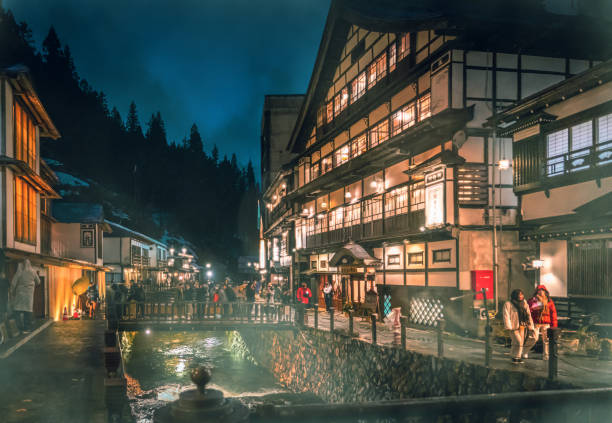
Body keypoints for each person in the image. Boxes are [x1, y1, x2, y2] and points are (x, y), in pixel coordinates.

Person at [503, 289, 536, 364]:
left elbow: (528, 314)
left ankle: (516, 356)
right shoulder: (508, 304)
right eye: (519, 294)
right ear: (515, 295)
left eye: (521, 294)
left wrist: (530, 325)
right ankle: (516, 357)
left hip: (523, 325)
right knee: (518, 341)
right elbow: (506, 315)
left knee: (519, 342)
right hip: (514, 326)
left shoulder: (524, 303)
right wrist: (508, 326)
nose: (520, 296)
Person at [528, 285, 558, 361]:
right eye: (539, 290)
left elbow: (553, 313)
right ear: (536, 292)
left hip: (546, 323)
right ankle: (524, 350)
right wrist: (539, 303)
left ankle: (546, 355)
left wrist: (554, 325)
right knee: (534, 338)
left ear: (545, 292)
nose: (541, 292)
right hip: (536, 322)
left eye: (542, 290)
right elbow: (531, 309)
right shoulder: (533, 300)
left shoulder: (549, 301)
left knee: (546, 340)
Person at [9, 259, 40, 332]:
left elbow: (14, 282)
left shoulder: (20, 271)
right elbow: (38, 282)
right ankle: (27, 328)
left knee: (17, 310)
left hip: (20, 294)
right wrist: (32, 285)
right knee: (28, 311)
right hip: (29, 296)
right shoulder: (33, 272)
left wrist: (11, 291)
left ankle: (19, 327)